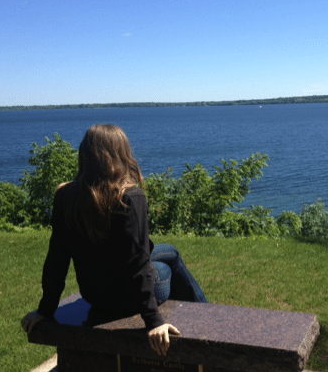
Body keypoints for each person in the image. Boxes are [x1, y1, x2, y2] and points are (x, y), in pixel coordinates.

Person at [21, 124, 208, 356]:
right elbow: (139, 263)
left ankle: (205, 310)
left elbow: (56, 259)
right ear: (120, 154)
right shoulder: (129, 197)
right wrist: (153, 321)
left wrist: (45, 310)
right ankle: (207, 316)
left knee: (170, 250)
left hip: (96, 296)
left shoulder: (65, 196)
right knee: (166, 263)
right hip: (129, 298)